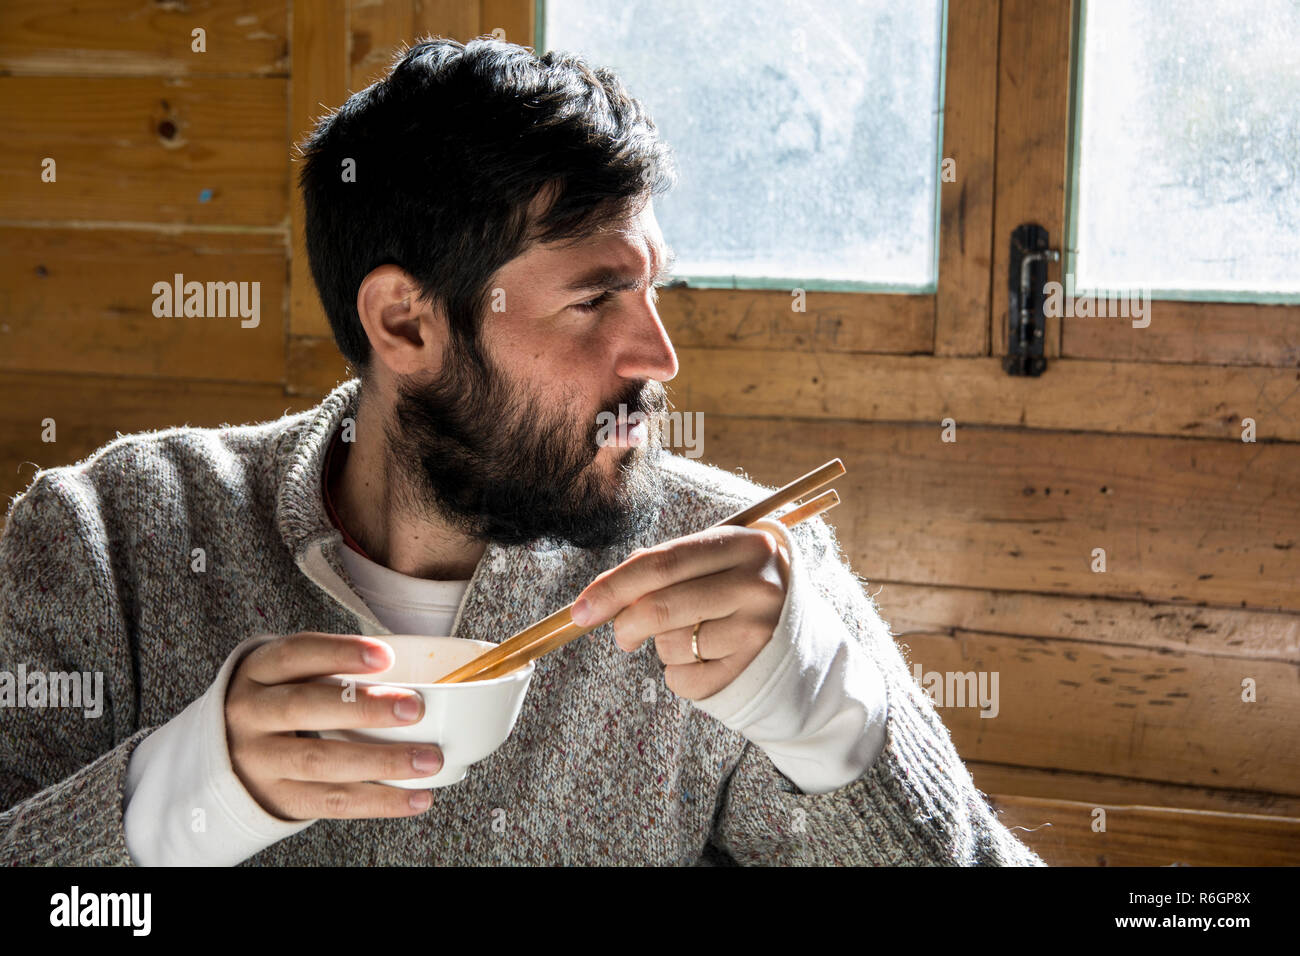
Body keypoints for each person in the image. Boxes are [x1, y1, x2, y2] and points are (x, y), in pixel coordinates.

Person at [0, 36, 1043, 866]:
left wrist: (833, 724)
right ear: (405, 323)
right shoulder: (112, 537)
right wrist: (171, 804)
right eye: (595, 298)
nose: (661, 356)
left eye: (653, 291)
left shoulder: (736, 561)